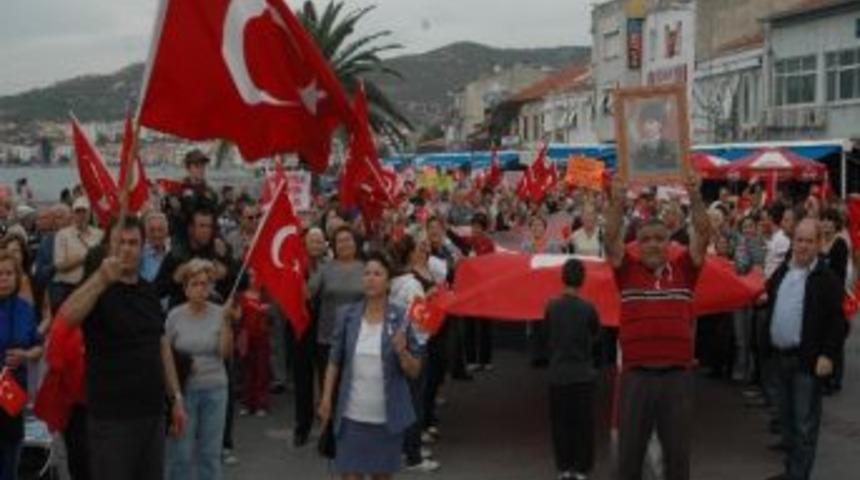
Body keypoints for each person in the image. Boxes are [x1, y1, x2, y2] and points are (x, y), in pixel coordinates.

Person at [58, 216, 187, 480]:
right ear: (109, 247)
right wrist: (100, 280)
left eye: (133, 243)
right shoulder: (98, 288)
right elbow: (66, 318)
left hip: (152, 414)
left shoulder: (148, 291)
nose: (127, 248)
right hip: (112, 419)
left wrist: (176, 398)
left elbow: (161, 346)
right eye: (120, 242)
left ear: (142, 248)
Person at [605, 172, 710, 480]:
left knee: (678, 460)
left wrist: (696, 197)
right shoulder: (626, 271)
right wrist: (616, 200)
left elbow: (703, 235)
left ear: (669, 242)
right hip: (636, 376)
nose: (652, 244)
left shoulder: (684, 270)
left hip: (677, 377)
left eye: (659, 239)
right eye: (646, 239)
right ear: (637, 243)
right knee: (629, 460)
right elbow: (611, 238)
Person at [318, 252, 423, 480]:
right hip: (350, 417)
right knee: (350, 476)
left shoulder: (401, 318)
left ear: (388, 282)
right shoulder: (347, 315)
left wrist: (403, 352)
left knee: (381, 477)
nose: (371, 278)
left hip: (386, 420)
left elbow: (415, 370)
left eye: (377, 274)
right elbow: (334, 361)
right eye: (366, 273)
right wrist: (326, 399)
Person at [763, 219, 845, 480]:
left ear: (819, 244)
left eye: (809, 241)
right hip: (779, 358)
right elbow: (771, 297)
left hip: (806, 362)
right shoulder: (783, 271)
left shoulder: (827, 278)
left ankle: (799, 476)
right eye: (799, 240)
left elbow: (838, 322)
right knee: (786, 423)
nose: (803, 246)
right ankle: (791, 471)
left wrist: (828, 355)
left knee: (804, 426)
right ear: (793, 241)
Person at [166, 259, 235, 480]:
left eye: (205, 284)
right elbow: (165, 352)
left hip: (215, 389)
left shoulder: (219, 313)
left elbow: (225, 354)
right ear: (185, 288)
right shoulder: (174, 316)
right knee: (181, 454)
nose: (200, 288)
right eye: (195, 284)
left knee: (210, 454)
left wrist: (226, 323)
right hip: (184, 392)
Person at [543, 258, 599, 480]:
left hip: (558, 373)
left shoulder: (551, 306)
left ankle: (564, 467)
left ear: (562, 277)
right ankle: (582, 468)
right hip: (583, 374)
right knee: (583, 424)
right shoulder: (588, 308)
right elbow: (596, 334)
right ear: (583, 279)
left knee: (560, 423)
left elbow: (546, 335)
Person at [0, 251, 43, 480]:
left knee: (11, 458)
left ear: (17, 277)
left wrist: (26, 355)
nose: (4, 278)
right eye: (0, 274)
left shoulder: (25, 309)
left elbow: (39, 347)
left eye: (9, 273)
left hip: (14, 395)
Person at [308, 226, 366, 378]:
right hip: (328, 338)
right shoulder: (325, 269)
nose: (344, 244)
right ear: (333, 246)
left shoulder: (366, 268)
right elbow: (308, 294)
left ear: (355, 243)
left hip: (358, 337)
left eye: (348, 240)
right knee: (330, 388)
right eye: (340, 241)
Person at [51, 197, 103, 312]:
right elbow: (59, 265)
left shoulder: (99, 235)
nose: (81, 215)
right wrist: (85, 257)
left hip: (90, 288)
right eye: (78, 211)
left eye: (84, 211)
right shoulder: (62, 235)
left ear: (89, 213)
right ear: (73, 214)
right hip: (67, 289)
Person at [819, 208, 850, 395]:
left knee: (835, 338)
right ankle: (823, 376)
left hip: (834, 297)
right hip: (818, 297)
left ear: (836, 223)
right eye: (824, 219)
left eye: (830, 220)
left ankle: (835, 379)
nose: (827, 223)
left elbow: (840, 274)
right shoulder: (818, 242)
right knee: (821, 338)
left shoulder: (840, 244)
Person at [630, 102, 679, 173]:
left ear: (660, 124)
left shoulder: (671, 147)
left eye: (651, 122)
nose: (647, 127)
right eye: (644, 123)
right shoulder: (639, 149)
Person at [141, 212, 171, 283]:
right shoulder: (140, 255)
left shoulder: (173, 254)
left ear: (166, 231)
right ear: (146, 232)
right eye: (152, 230)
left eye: (160, 230)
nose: (156, 234)